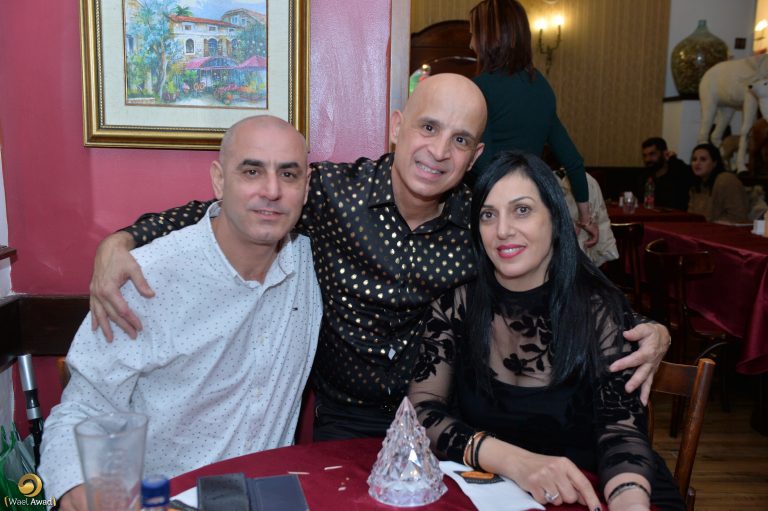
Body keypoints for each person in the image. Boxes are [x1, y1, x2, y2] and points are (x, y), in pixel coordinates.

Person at [88, 74, 670, 442]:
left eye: (460, 140)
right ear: (397, 127)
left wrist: (647, 326)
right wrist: (122, 240)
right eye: (428, 127)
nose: (438, 151)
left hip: (447, 416)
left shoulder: (481, 221)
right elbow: (227, 208)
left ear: (474, 157)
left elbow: (558, 274)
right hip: (344, 415)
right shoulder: (329, 195)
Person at [39, 116, 322, 511]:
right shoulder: (145, 278)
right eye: (252, 171)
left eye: (288, 174)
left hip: (266, 498)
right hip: (163, 501)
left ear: (306, 188)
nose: (271, 191)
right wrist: (75, 486)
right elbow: (84, 407)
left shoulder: (316, 265)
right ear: (219, 180)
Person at [409, 151, 684, 511]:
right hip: (500, 493)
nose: (502, 230)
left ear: (555, 218)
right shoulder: (454, 307)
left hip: (597, 491)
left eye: (522, 210)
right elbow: (421, 414)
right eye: (488, 215)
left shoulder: (600, 311)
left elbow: (621, 435)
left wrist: (630, 505)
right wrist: (513, 461)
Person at [468, 0, 598, 247]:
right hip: (534, 209)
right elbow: (572, 160)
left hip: (494, 213)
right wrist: (585, 218)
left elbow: (485, 165)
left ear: (489, 38)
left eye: (474, 34)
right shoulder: (542, 87)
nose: (471, 44)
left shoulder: (479, 89)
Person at [687, 142, 750, 224]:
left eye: (703, 159)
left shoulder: (726, 180)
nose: (697, 163)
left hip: (724, 230)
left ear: (714, 163)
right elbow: (691, 216)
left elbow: (738, 216)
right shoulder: (696, 184)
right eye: (694, 159)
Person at [640, 137, 696, 211]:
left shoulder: (678, 170)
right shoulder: (645, 176)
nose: (647, 159)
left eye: (652, 154)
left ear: (664, 153)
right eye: (645, 155)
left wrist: (673, 159)